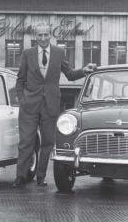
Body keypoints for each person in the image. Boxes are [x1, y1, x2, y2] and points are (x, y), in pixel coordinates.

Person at [12, 22, 96, 187]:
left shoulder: (58, 53)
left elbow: (70, 75)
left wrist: (83, 70)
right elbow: (20, 80)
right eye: (39, 35)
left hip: (50, 105)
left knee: (48, 142)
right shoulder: (27, 54)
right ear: (35, 36)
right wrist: (22, 100)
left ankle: (41, 178)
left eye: (45, 35)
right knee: (26, 142)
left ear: (50, 35)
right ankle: (20, 177)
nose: (43, 38)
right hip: (29, 106)